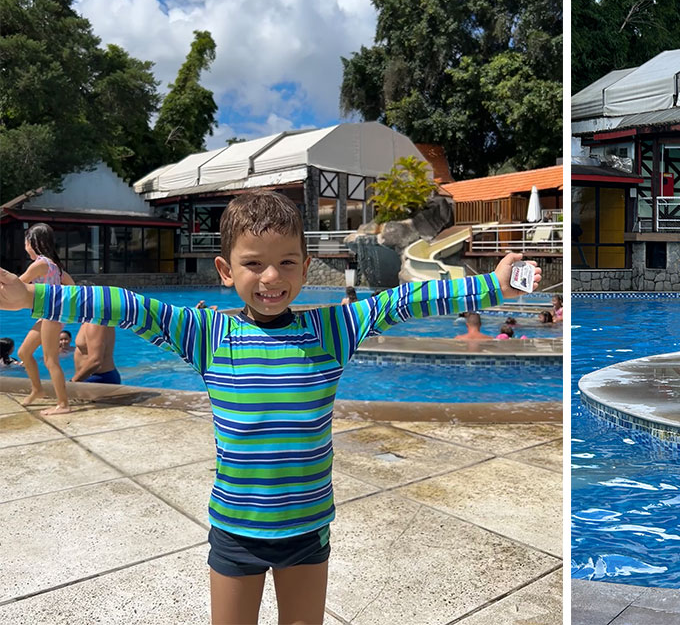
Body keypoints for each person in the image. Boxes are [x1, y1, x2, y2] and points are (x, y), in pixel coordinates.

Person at [0, 189, 538, 625]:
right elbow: (130, 306)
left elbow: (408, 301)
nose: (272, 277)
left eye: (285, 262)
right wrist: (35, 300)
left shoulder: (334, 327)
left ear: (306, 265)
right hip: (235, 528)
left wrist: (493, 284)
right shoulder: (208, 333)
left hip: (306, 528)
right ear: (225, 270)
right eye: (253, 264)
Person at [18, 223, 74, 414]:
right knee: (24, 352)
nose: (25, 246)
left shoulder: (41, 264)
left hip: (51, 316)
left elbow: (18, 284)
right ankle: (38, 389)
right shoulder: (55, 266)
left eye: (26, 242)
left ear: (33, 242)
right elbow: (72, 286)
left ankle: (63, 404)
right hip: (49, 316)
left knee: (51, 359)